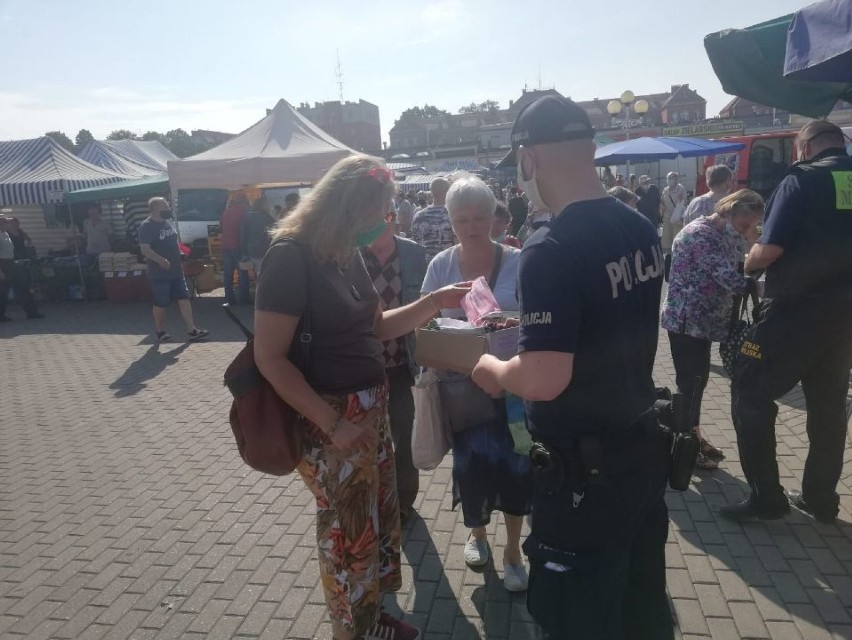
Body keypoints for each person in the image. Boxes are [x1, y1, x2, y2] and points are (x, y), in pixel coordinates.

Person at [471, 95, 671, 639]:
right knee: (641, 604)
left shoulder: (550, 246)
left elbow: (544, 378)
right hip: (638, 451)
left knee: (576, 617)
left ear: (528, 159)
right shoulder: (638, 225)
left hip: (582, 477)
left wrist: (493, 368)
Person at [253, 155, 469, 640]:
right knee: (346, 533)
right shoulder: (291, 256)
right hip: (330, 418)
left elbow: (377, 327)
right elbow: (270, 358)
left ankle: (371, 615)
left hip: (370, 411)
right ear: (348, 207)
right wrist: (333, 425)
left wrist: (435, 301)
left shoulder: (344, 252)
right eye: (381, 211)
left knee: (375, 522)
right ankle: (353, 630)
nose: (386, 221)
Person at [720, 120, 852, 524]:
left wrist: (748, 258)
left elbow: (769, 250)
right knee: (829, 408)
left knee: (749, 388)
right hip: (844, 316)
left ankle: (766, 497)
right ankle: (820, 499)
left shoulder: (802, 180)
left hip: (795, 311)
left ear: (805, 146)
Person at [421, 174, 532, 592]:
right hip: (462, 386)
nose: (472, 226)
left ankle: (514, 551)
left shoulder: (517, 260)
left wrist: (510, 321)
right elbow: (427, 323)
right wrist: (456, 326)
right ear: (451, 221)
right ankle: (478, 534)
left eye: (480, 217)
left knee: (518, 464)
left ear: (494, 217)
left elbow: (538, 317)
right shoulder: (441, 265)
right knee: (472, 466)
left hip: (513, 387)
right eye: (463, 218)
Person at [661, 189, 764, 471]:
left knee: (696, 384)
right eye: (744, 225)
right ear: (730, 210)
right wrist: (758, 286)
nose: (745, 232)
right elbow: (728, 276)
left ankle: (690, 437)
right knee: (691, 385)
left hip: (701, 323)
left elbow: (741, 263)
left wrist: (752, 241)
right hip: (687, 322)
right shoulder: (701, 234)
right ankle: (685, 446)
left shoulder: (718, 234)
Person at [360, 208, 427, 525]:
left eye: (382, 219)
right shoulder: (351, 253)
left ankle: (403, 500)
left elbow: (424, 300)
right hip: (362, 365)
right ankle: (372, 499)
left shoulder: (412, 253)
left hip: (401, 362)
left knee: (403, 434)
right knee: (367, 438)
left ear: (393, 220)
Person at [138, 198, 209, 343]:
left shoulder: (167, 222)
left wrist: (182, 253)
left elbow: (173, 242)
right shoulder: (146, 226)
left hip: (176, 271)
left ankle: (192, 329)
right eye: (166, 206)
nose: (168, 208)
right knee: (161, 303)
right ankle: (160, 330)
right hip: (160, 273)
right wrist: (160, 260)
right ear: (156, 208)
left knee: (184, 298)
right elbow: (145, 249)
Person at [0, 215, 43, 321]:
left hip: (11, 263)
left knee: (23, 287)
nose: (8, 224)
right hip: (2, 264)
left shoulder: (5, 234)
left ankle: (32, 312)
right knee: (2, 292)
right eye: (5, 222)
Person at [409, 177, 455, 263]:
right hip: (449, 265)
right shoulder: (452, 215)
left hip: (426, 266)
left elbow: (415, 242)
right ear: (446, 191)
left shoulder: (419, 216)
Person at [220, 194, 250, 305]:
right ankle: (243, 298)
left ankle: (229, 299)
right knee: (242, 272)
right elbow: (244, 230)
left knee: (228, 273)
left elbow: (221, 226)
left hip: (225, 244)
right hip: (237, 245)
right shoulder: (243, 213)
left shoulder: (225, 212)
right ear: (244, 203)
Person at [241, 196, 276, 276]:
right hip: (266, 249)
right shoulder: (268, 218)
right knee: (266, 273)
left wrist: (244, 252)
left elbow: (243, 236)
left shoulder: (247, 217)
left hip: (252, 250)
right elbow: (274, 234)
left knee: (258, 272)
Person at [660, 172, 688, 255]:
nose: (669, 180)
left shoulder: (681, 189)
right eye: (668, 178)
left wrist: (681, 200)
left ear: (676, 179)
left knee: (676, 235)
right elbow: (662, 201)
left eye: (671, 178)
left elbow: (685, 202)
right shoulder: (665, 190)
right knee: (667, 236)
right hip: (667, 217)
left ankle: (677, 251)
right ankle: (668, 254)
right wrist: (661, 206)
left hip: (677, 217)